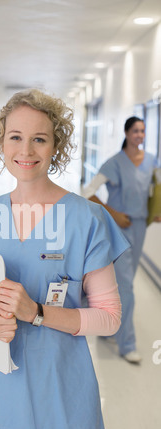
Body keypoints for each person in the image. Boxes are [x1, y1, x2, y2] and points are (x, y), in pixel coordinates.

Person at [0, 89, 129, 429]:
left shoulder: (87, 220)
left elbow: (110, 318)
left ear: (56, 146)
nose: (26, 151)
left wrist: (39, 313)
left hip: (58, 398)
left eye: (39, 139)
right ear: (2, 143)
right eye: (15, 137)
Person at [83, 116, 161, 364]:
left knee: (123, 281)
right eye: (136, 131)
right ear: (126, 133)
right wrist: (113, 214)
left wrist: (155, 211)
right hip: (119, 228)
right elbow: (88, 192)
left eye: (143, 131)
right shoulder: (115, 163)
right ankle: (128, 345)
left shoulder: (151, 161)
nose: (140, 135)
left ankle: (111, 326)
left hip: (140, 226)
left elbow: (154, 190)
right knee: (126, 286)